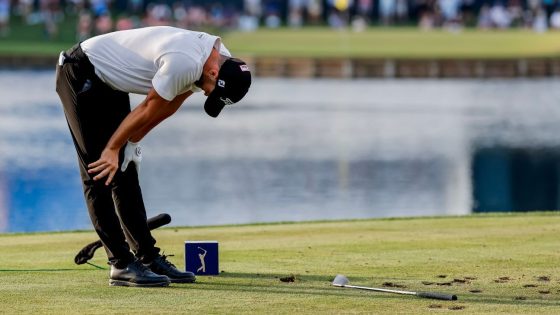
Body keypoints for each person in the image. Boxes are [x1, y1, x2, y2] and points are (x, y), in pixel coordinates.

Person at [55, 26, 251, 287]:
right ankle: (121, 265)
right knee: (99, 170)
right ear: (214, 73)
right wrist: (113, 148)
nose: (207, 94)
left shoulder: (215, 59)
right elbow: (149, 104)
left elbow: (168, 104)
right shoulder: (186, 61)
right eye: (211, 90)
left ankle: (147, 258)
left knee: (124, 171)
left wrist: (133, 141)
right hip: (81, 71)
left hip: (110, 82)